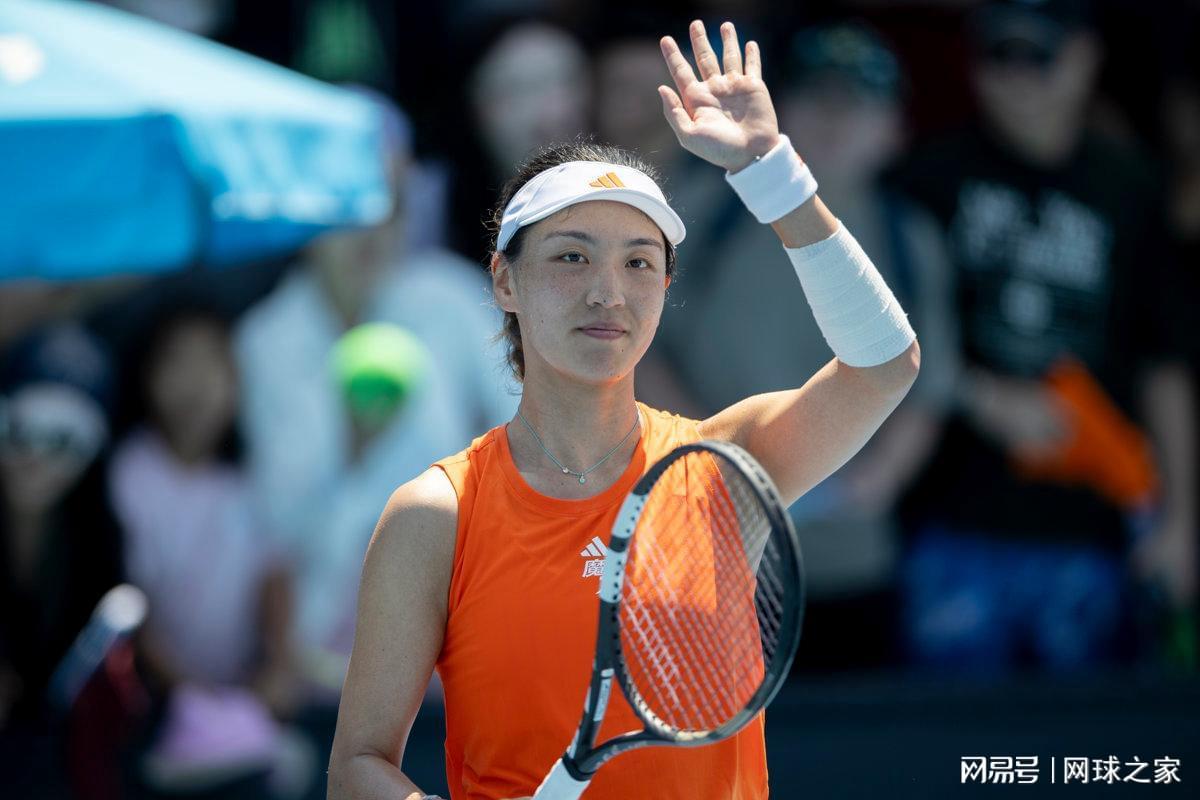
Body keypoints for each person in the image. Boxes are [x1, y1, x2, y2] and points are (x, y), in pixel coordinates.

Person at [327, 19, 920, 800]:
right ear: (504, 280)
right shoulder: (435, 515)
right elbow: (357, 768)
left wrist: (772, 174)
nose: (608, 292)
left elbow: (884, 364)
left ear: (664, 289)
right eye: (572, 256)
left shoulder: (725, 465)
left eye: (639, 263)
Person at [893, 0, 1197, 671]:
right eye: (998, 55)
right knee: (948, 731)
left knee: (1087, 729)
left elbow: (1167, 361)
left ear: (1085, 57)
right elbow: (866, 331)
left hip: (1095, 528)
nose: (1017, 77)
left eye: (1039, 55)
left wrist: (1181, 521)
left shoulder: (1130, 185)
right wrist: (976, 393)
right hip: (952, 519)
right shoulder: (926, 176)